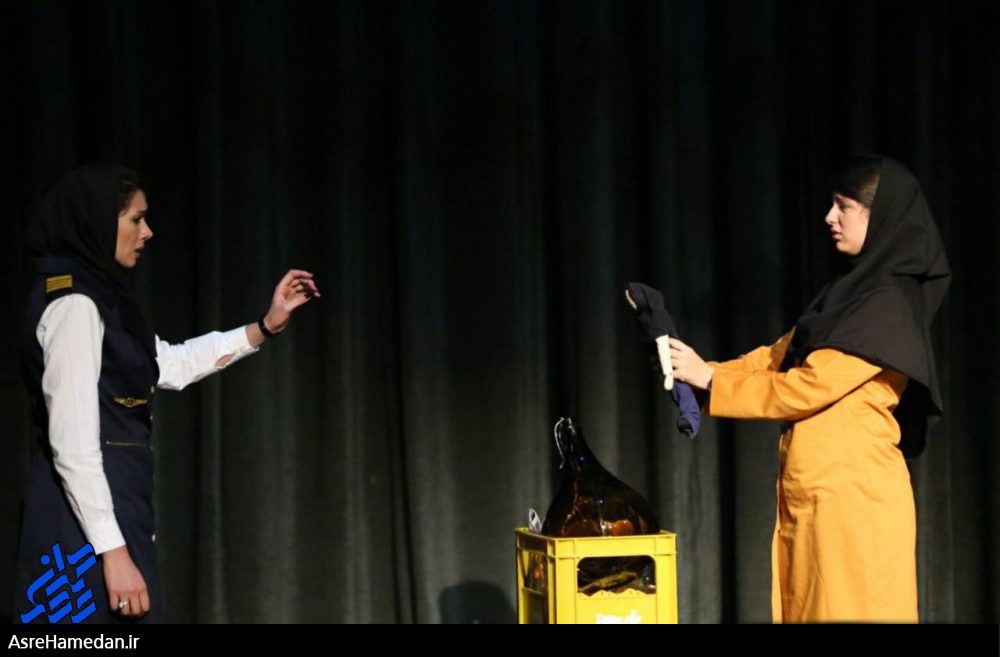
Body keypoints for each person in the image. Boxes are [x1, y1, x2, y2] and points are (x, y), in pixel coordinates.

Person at [15, 163, 320, 623]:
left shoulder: (102, 297)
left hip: (109, 518)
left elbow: (169, 364)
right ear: (97, 222)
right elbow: (72, 443)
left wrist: (264, 326)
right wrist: (113, 552)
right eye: (136, 219)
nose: (148, 231)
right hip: (80, 531)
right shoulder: (74, 304)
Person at [667, 155, 950, 622]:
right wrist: (696, 371)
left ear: (879, 217)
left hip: (852, 497)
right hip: (821, 493)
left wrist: (712, 380)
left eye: (844, 206)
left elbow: (808, 387)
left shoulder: (888, 306)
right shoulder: (850, 292)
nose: (829, 217)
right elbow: (777, 356)